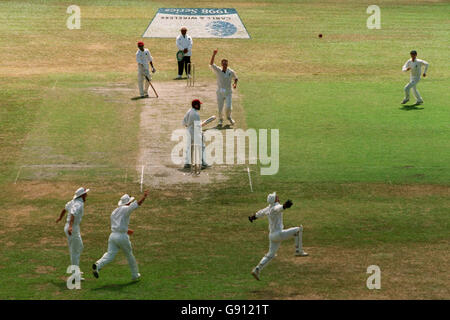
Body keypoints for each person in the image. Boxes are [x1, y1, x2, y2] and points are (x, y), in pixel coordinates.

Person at [248, 192, 308, 281]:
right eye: (277, 196)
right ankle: (298, 251)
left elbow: (259, 214)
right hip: (278, 234)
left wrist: (252, 218)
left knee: (270, 255)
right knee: (299, 229)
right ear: (275, 199)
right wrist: (285, 206)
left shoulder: (268, 208)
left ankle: (257, 269)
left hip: (272, 236)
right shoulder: (276, 206)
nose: (278, 197)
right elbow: (279, 208)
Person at [92, 190, 149, 281]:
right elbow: (137, 204)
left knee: (110, 254)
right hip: (122, 237)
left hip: (113, 236)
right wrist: (144, 197)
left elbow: (117, 224)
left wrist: (126, 230)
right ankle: (135, 275)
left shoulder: (114, 212)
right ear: (128, 202)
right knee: (129, 255)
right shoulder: (125, 209)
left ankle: (98, 265)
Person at [56, 187, 90, 280]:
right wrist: (70, 226)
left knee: (78, 247)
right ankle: (75, 274)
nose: (87, 195)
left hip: (73, 228)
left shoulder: (73, 202)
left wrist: (60, 218)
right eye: (85, 194)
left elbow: (64, 209)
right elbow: (72, 214)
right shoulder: (78, 204)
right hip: (72, 228)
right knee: (75, 250)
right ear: (82, 195)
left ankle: (76, 270)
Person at [209, 49, 238, 127]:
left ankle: (229, 117)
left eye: (226, 63)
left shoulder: (230, 71)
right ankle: (220, 120)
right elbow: (211, 64)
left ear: (227, 64)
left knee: (228, 106)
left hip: (228, 92)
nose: (225, 65)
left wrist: (235, 84)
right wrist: (214, 54)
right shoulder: (218, 70)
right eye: (223, 63)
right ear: (221, 64)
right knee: (220, 108)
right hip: (220, 92)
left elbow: (235, 78)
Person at [182, 99, 210, 170]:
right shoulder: (196, 114)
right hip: (195, 133)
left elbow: (184, 122)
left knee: (189, 148)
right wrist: (201, 131)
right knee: (202, 147)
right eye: (199, 104)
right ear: (196, 105)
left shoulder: (189, 111)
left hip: (189, 132)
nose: (200, 106)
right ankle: (203, 163)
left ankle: (187, 163)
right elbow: (198, 126)